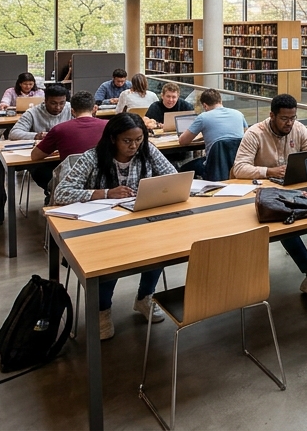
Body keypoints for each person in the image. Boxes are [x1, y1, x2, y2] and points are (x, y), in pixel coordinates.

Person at [51, 113, 177, 340]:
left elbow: (173, 178)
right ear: (112, 139)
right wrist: (105, 193)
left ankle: (145, 298)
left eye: (138, 140)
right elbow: (61, 192)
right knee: (108, 263)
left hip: (138, 222)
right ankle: (102, 310)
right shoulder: (93, 157)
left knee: (161, 249)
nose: (134, 146)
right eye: (127, 141)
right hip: (101, 226)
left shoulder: (148, 152)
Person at [231, 94, 307, 300]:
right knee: (284, 220)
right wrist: (269, 171)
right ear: (272, 115)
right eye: (284, 119)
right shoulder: (255, 133)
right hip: (266, 193)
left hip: (294, 189)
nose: (290, 123)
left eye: (293, 118)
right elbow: (239, 168)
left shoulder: (298, 128)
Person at [28, 91, 105, 193]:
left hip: (72, 181)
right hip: (104, 180)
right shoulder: (110, 126)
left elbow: (35, 156)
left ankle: (52, 194)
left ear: (72, 111)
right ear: (95, 108)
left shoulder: (59, 129)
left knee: (37, 169)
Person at [180, 88, 247, 150]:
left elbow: (183, 141)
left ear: (205, 106)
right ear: (221, 101)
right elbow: (247, 136)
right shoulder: (239, 114)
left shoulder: (203, 117)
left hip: (214, 162)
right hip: (237, 161)